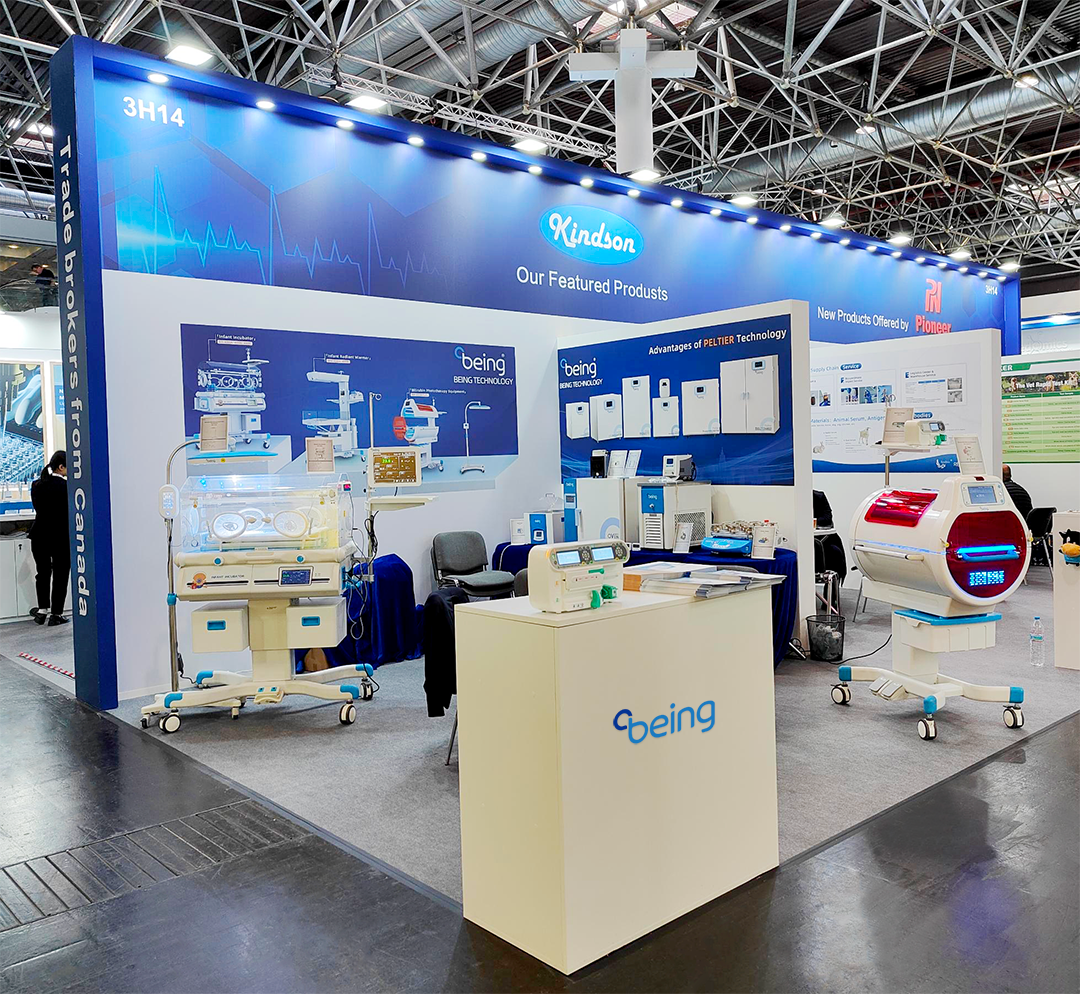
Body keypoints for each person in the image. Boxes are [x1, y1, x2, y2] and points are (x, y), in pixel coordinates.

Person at [28, 450, 70, 626]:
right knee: (60, 575)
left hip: (39, 535)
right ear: (61, 467)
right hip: (60, 537)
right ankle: (56, 614)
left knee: (43, 573)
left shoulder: (36, 485)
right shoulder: (66, 487)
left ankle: (42, 611)